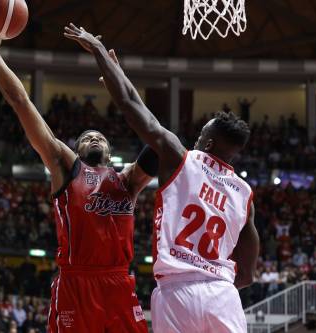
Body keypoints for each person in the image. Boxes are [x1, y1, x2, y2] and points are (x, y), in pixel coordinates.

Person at [65, 24, 260, 333]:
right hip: (222, 294)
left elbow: (131, 107)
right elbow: (248, 273)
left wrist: (100, 51)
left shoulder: (182, 158)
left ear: (207, 143)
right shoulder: (244, 193)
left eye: (200, 135)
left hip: (175, 290)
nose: (195, 140)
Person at [0, 12, 157, 333]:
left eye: (99, 136)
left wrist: (120, 80)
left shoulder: (127, 181)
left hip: (119, 281)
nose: (94, 138)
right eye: (87, 137)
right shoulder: (66, 167)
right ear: (76, 148)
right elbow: (20, 101)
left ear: (111, 152)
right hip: (77, 282)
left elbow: (158, 140)